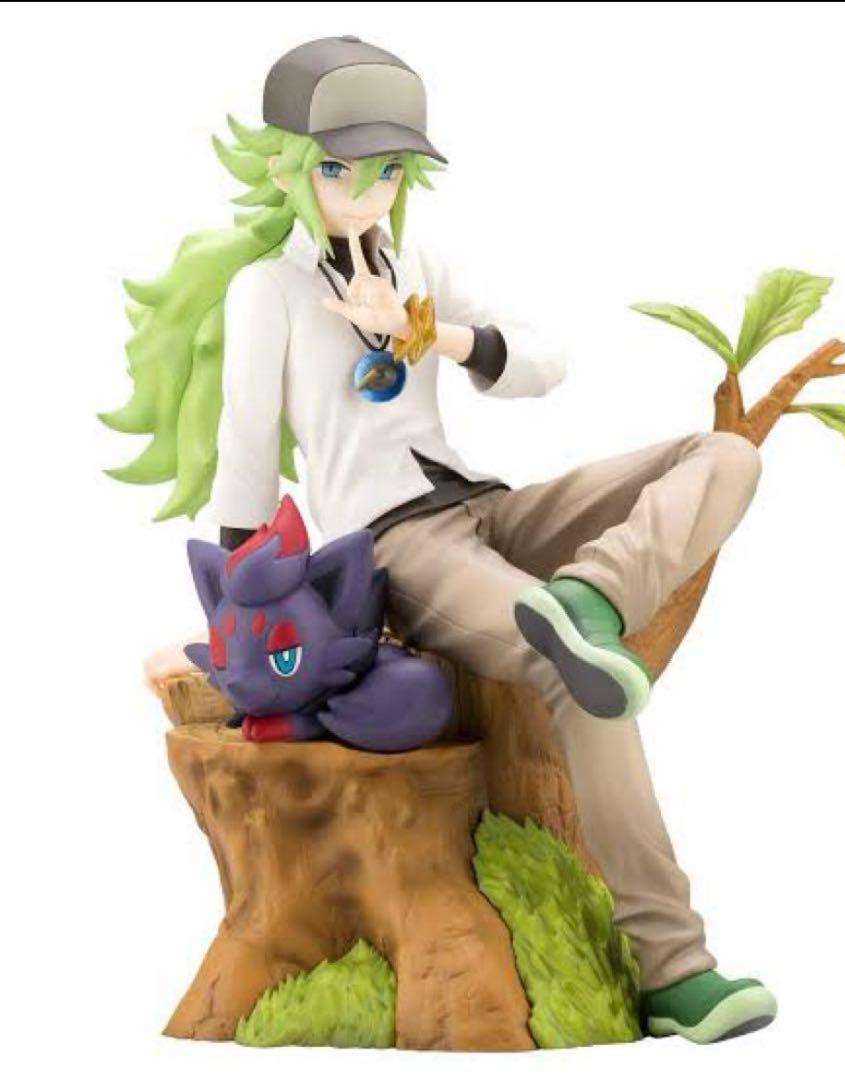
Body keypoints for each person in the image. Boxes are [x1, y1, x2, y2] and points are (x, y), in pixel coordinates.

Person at [105, 36, 775, 1043]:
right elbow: (245, 450)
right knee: (576, 676)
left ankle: (591, 596)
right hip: (396, 544)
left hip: (488, 504)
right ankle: (675, 965)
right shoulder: (268, 290)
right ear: (290, 169)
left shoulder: (417, 266)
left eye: (387, 171)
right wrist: (236, 622)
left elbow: (543, 363)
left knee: (724, 457)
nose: (367, 192)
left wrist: (435, 335)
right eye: (341, 170)